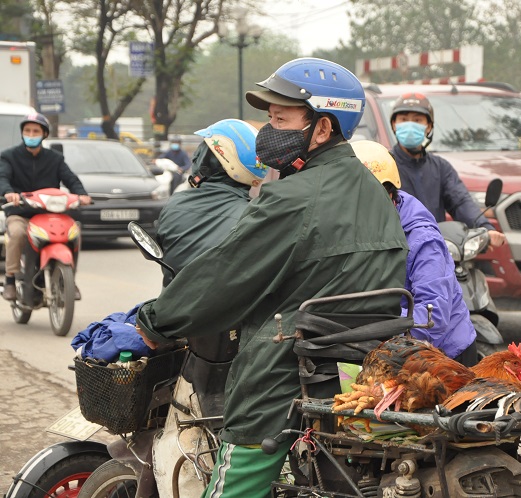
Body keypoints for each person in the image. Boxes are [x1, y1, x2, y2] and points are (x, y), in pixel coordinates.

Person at [134, 58, 408, 498]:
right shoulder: (372, 194)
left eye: (280, 118)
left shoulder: (294, 197)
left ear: (322, 129)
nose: (268, 128)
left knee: (233, 488)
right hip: (353, 368)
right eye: (268, 118)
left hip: (284, 373)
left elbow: (226, 272)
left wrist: (154, 322)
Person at [352, 140, 478, 367]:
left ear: (390, 196)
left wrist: (373, 323)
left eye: (369, 200)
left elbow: (433, 316)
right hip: (395, 350)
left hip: (446, 356)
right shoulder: (352, 226)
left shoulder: (422, 240)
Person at [155, 119, 269, 287]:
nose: (196, 156)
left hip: (171, 308)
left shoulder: (175, 204)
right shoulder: (257, 216)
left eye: (202, 150)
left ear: (210, 161)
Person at [389, 92, 506, 248]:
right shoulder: (384, 164)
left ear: (429, 126)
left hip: (435, 251)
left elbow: (460, 202)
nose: (410, 125)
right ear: (394, 125)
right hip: (396, 251)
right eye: (403, 120)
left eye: (417, 120)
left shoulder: (441, 168)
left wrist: (484, 228)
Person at [0, 112, 92, 301]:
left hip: (50, 214)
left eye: (35, 131)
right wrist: (9, 192)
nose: (31, 134)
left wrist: (81, 194)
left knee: (74, 234)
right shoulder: (8, 156)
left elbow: (70, 178)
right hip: (21, 213)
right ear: (22, 133)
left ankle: (70, 279)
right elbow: (3, 177)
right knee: (17, 233)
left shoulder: (55, 158)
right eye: (27, 130)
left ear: (45, 134)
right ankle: (10, 279)